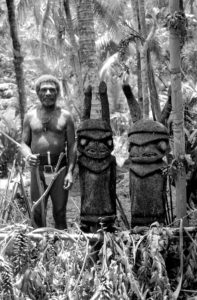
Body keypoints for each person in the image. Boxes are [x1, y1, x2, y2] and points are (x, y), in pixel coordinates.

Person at [20, 74, 76, 229]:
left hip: (60, 169)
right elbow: (24, 143)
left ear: (57, 92)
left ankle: (62, 250)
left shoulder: (66, 116)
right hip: (37, 169)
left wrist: (70, 172)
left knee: (59, 211)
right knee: (37, 210)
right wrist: (28, 155)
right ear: (38, 93)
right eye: (44, 90)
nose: (48, 93)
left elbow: (72, 146)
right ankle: (38, 249)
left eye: (52, 90)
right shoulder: (30, 116)